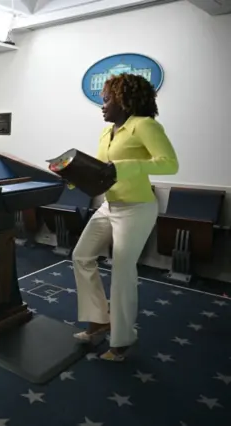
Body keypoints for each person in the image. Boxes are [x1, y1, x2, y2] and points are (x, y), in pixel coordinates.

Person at [71, 74, 179, 362]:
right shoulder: (106, 133)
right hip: (110, 205)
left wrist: (123, 166)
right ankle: (99, 321)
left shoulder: (145, 125)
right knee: (81, 257)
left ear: (124, 100)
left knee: (122, 271)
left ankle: (121, 340)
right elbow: (101, 173)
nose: (102, 105)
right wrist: (74, 177)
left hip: (137, 208)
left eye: (106, 99)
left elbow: (170, 164)